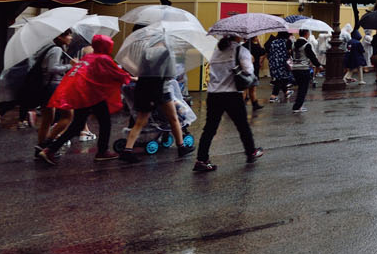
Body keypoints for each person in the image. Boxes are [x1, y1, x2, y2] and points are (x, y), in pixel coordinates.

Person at [37, 34, 132, 165]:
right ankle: (102, 152)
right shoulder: (103, 58)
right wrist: (131, 78)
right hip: (94, 96)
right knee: (105, 123)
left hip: (83, 95)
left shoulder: (89, 57)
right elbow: (117, 73)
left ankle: (50, 150)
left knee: (77, 125)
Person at [196, 35, 262, 172]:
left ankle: (201, 159)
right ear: (237, 36)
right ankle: (251, 152)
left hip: (214, 94)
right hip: (232, 94)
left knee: (210, 128)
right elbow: (249, 71)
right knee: (242, 126)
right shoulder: (241, 50)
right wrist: (250, 59)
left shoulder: (217, 51)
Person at [120, 38, 186, 161]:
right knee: (173, 119)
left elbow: (140, 71)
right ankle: (181, 147)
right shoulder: (168, 53)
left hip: (144, 89)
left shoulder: (146, 52)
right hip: (162, 90)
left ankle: (127, 149)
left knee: (140, 121)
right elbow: (170, 75)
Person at [289, 31, 321, 113]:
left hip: (295, 68)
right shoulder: (307, 45)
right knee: (303, 88)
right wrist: (318, 65)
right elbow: (312, 56)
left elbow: (292, 55)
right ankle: (297, 106)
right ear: (306, 34)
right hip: (303, 68)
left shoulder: (293, 44)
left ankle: (298, 105)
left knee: (300, 87)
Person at [266, 32, 292, 104]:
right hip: (283, 63)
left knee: (281, 78)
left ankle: (286, 92)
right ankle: (273, 96)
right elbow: (289, 52)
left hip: (273, 62)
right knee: (279, 80)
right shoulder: (287, 42)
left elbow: (268, 51)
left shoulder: (273, 41)